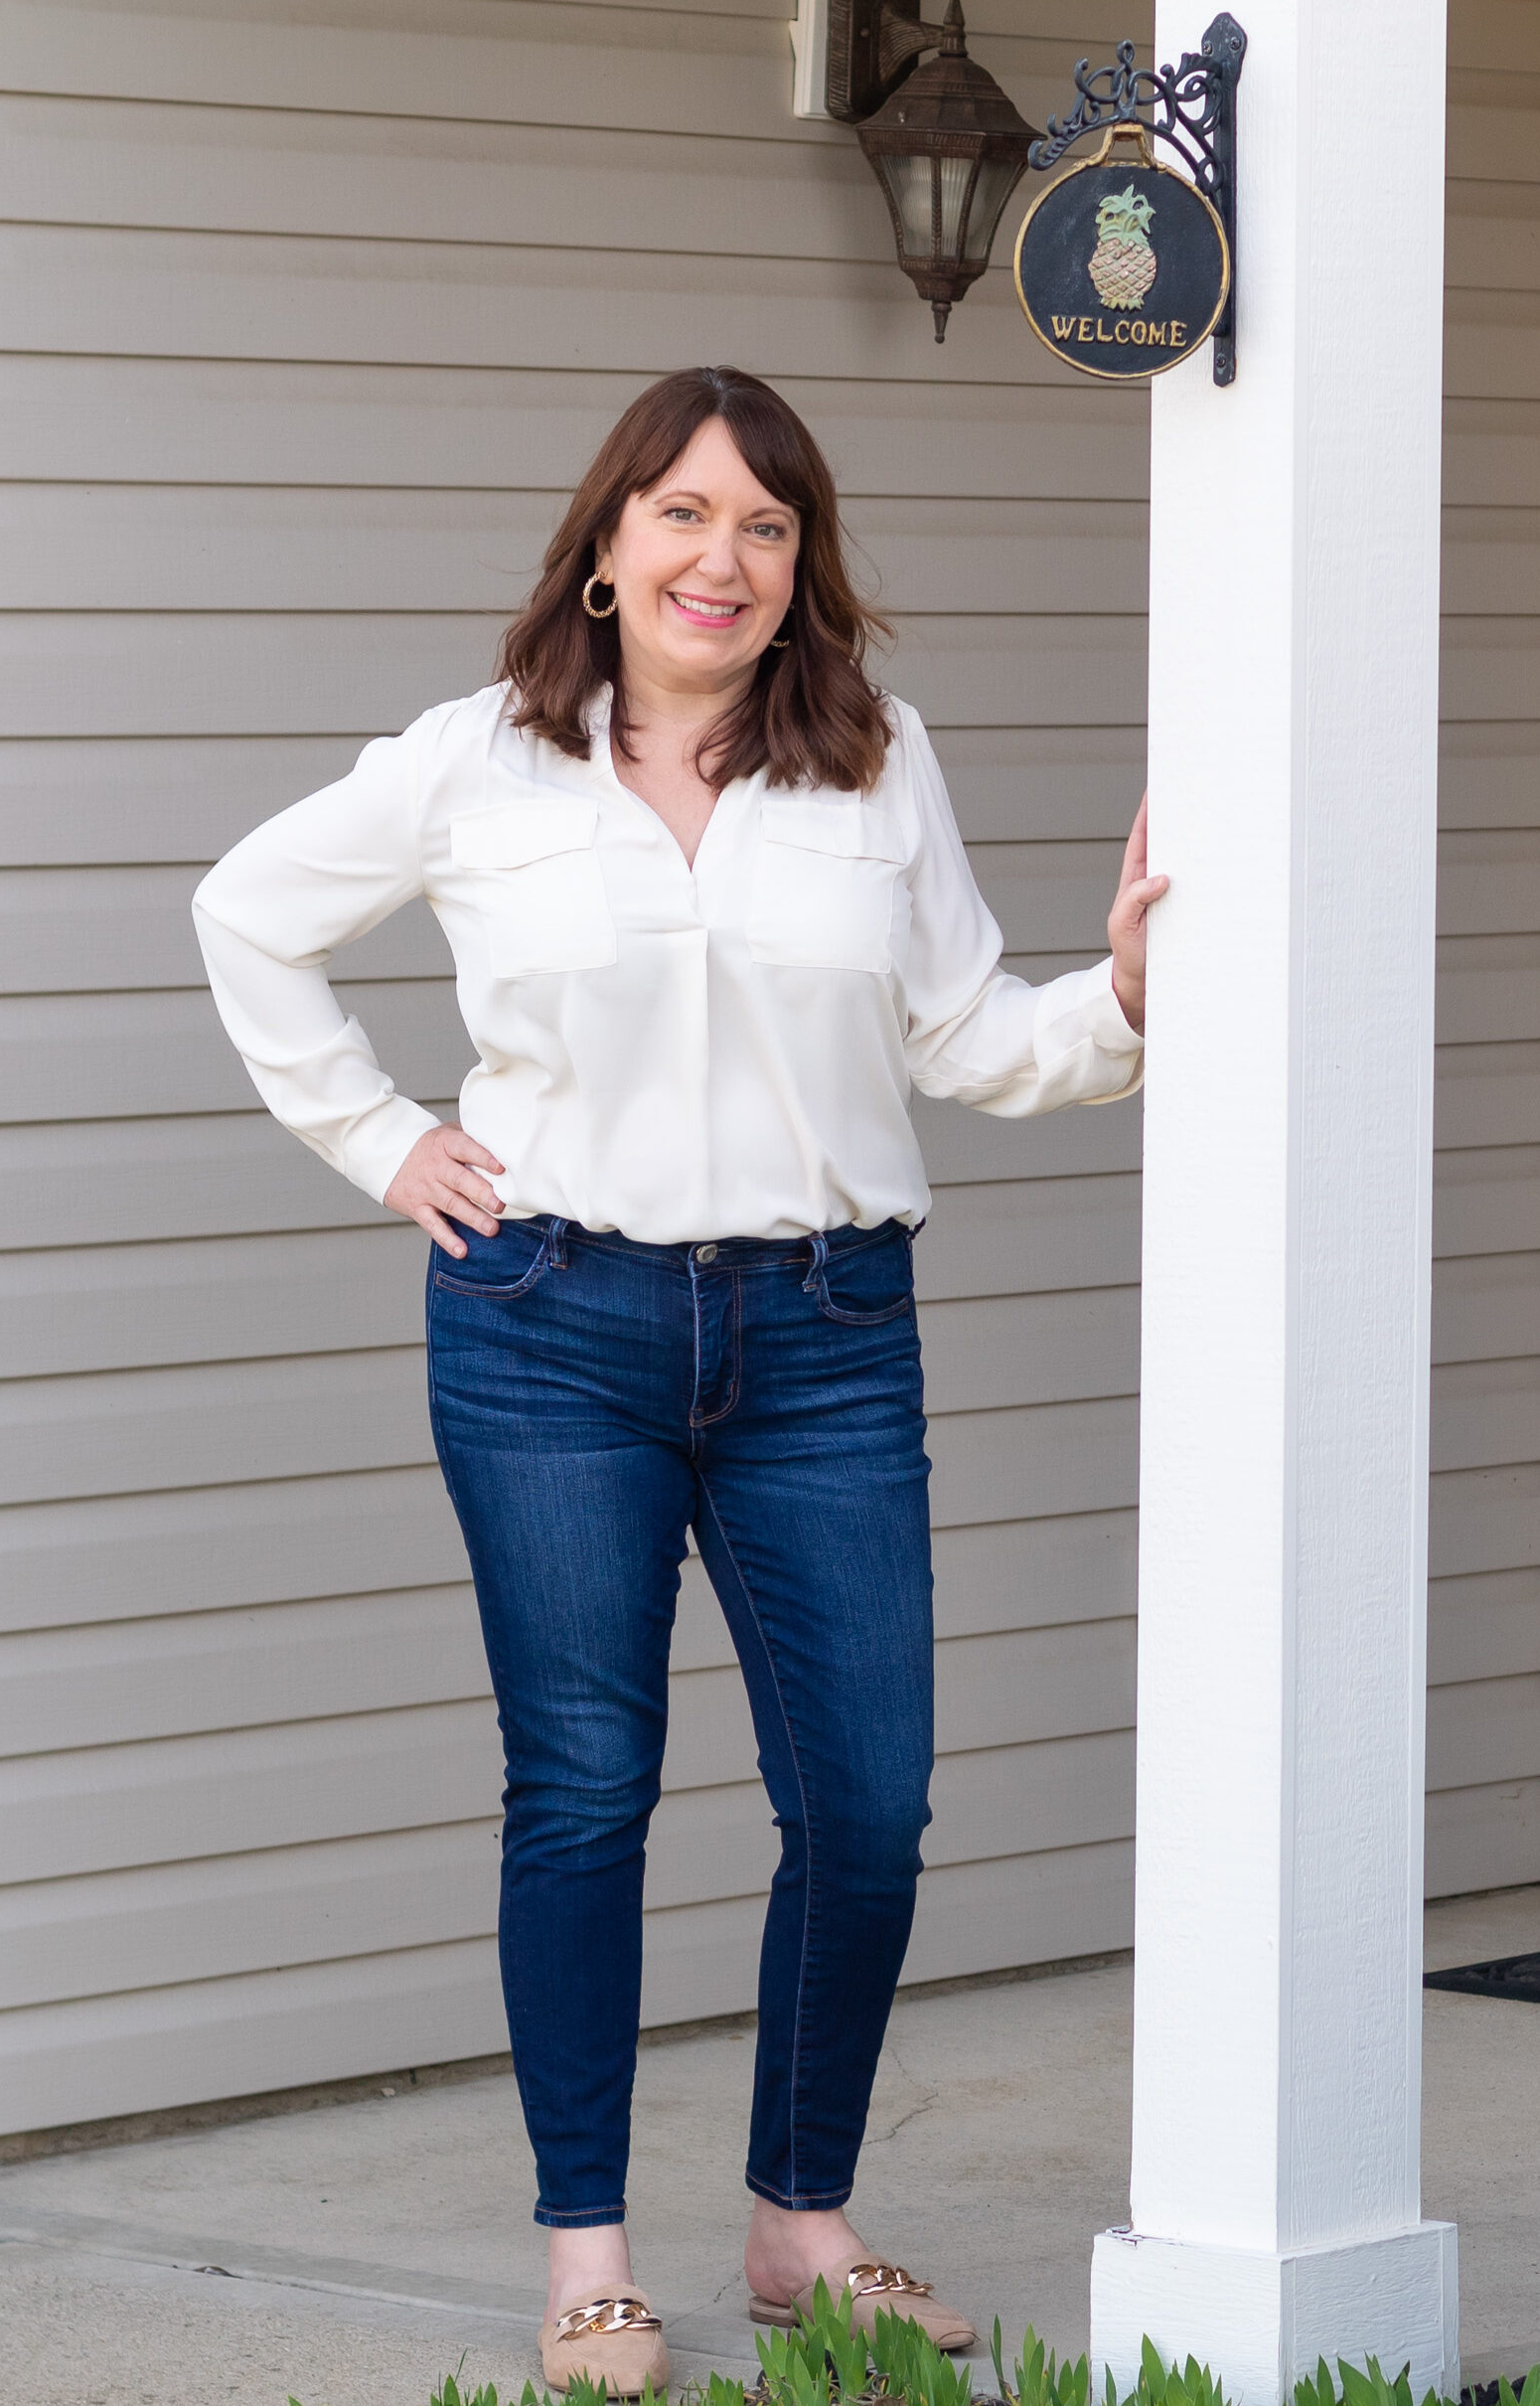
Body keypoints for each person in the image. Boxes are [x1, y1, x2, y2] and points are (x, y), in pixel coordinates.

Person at [194, 366, 1165, 2398]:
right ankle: (589, 2258)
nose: (721, 557)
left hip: (822, 1333)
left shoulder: (872, 762)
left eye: (766, 525)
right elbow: (248, 912)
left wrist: (1126, 999)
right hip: (551, 1325)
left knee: (868, 1800)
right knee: (582, 1792)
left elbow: (968, 1036)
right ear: (605, 542)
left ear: (800, 571)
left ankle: (801, 2223)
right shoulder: (478, 762)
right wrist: (382, 1140)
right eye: (683, 514)